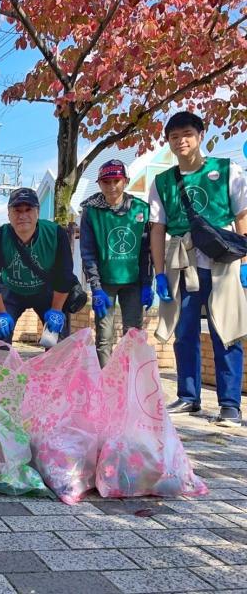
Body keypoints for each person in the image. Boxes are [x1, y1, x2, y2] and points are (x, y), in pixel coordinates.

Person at [150, 111, 247, 427]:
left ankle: (230, 405)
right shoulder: (162, 182)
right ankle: (188, 396)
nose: (181, 141)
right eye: (174, 136)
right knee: (184, 331)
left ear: (200, 135)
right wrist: (159, 273)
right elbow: (157, 229)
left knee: (227, 330)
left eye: (187, 134)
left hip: (223, 261)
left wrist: (245, 264)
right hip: (182, 262)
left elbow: (242, 216)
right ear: (169, 141)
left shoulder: (227, 170)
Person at [80, 159, 153, 366]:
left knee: (133, 336)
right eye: (106, 182)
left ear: (126, 181)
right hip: (105, 284)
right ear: (99, 184)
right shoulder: (91, 211)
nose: (111, 186)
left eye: (116, 181)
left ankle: (130, 378)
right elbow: (88, 252)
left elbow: (147, 251)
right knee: (104, 337)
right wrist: (95, 288)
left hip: (133, 282)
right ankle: (104, 379)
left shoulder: (140, 209)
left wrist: (148, 283)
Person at [0, 187, 75, 344]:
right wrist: (0, 312)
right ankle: (0, 358)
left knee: (58, 339)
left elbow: (65, 275)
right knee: (0, 336)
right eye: (17, 210)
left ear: (37, 212)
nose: (22, 216)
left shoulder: (56, 234)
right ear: (9, 214)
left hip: (46, 291)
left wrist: (56, 310)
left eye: (28, 210)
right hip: (11, 290)